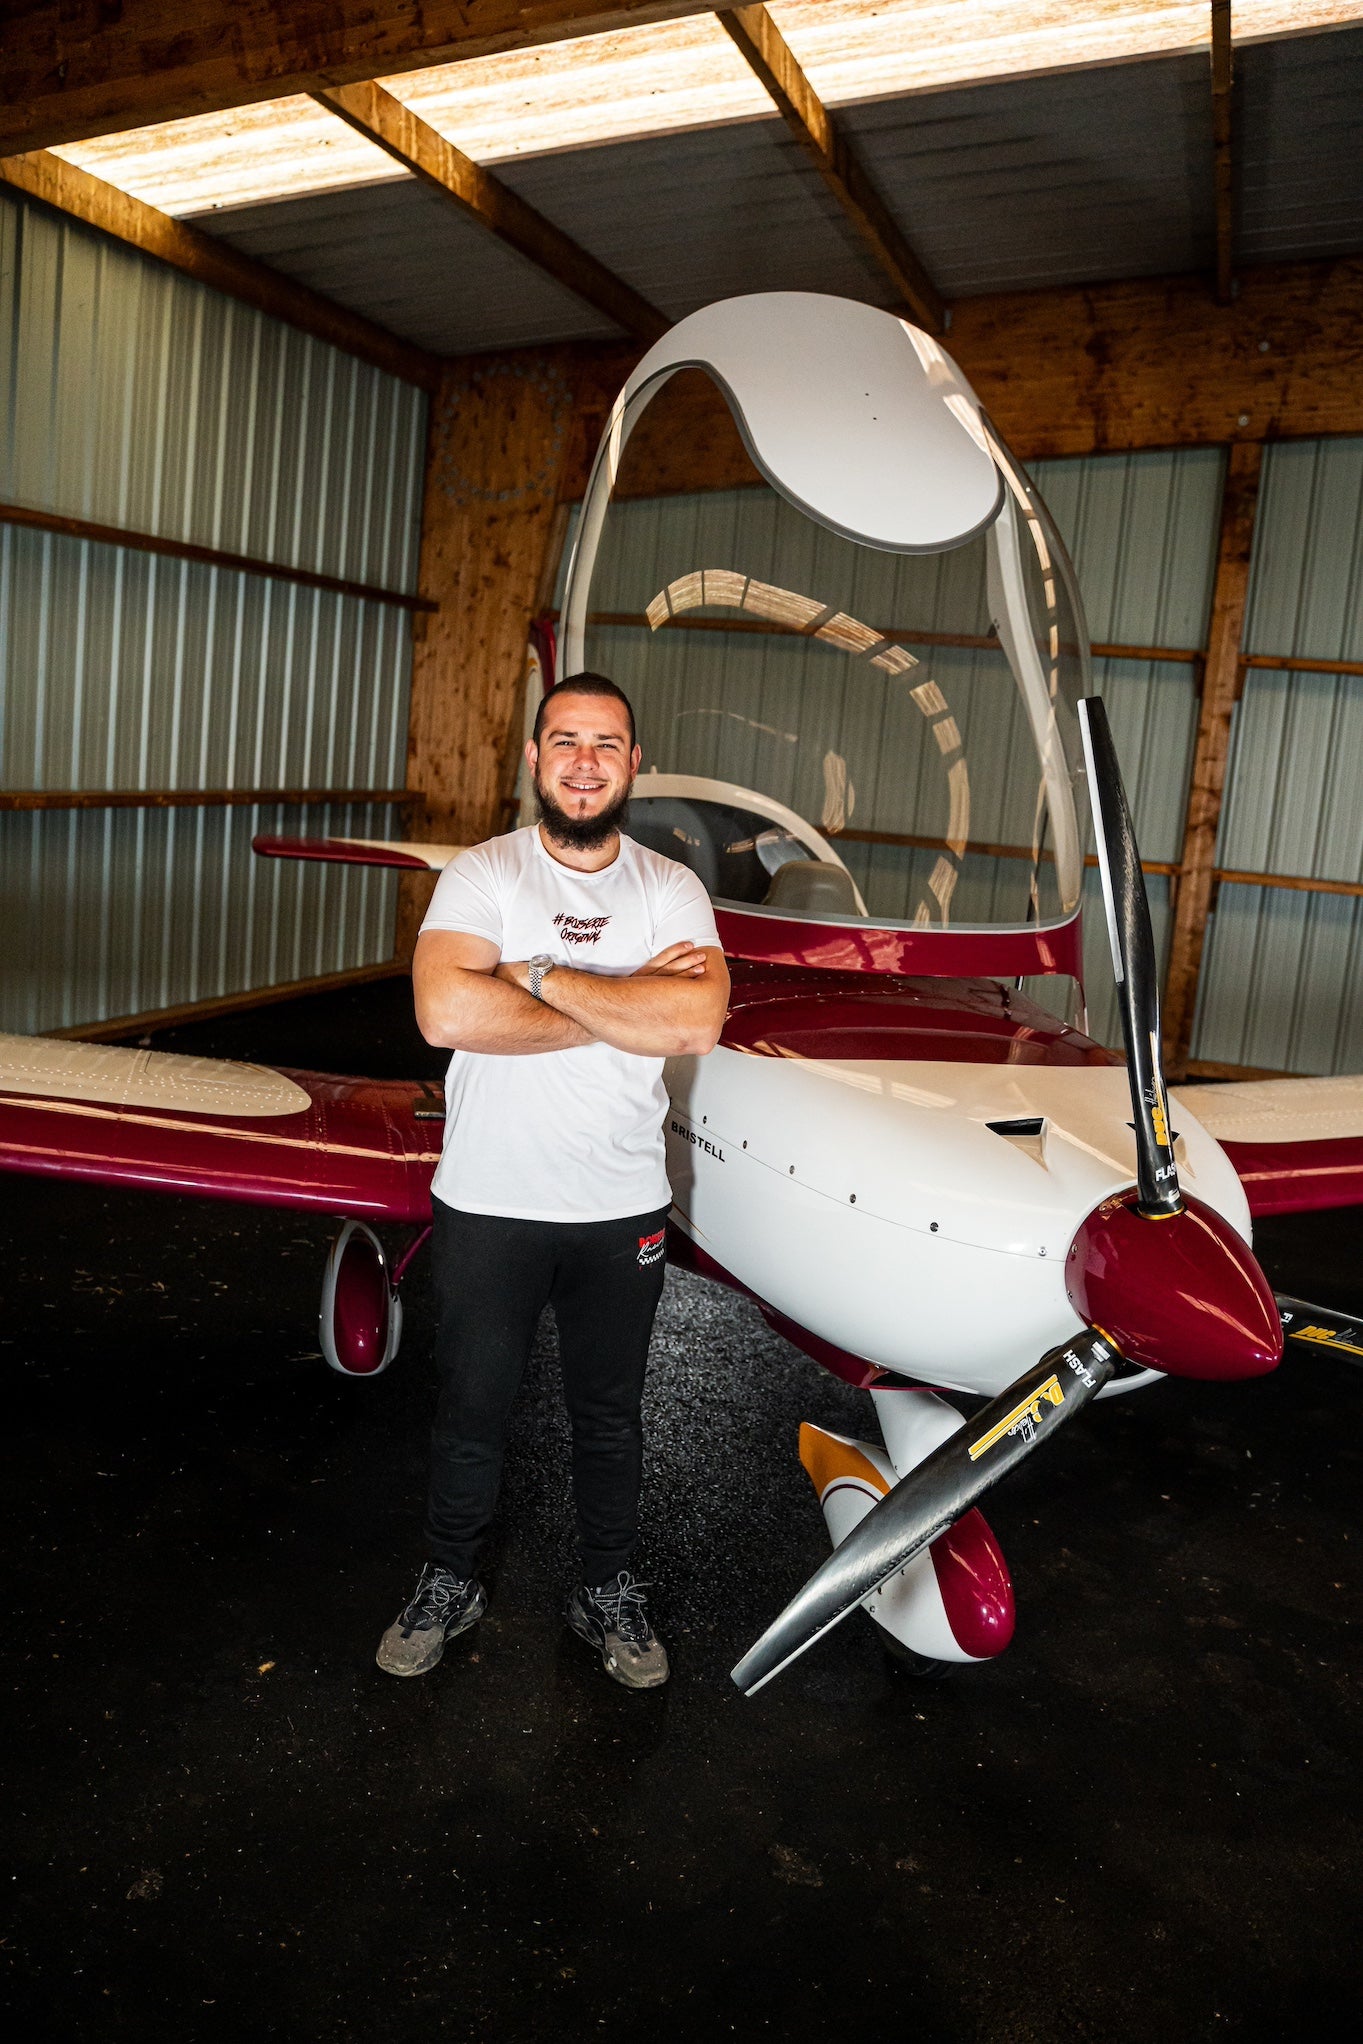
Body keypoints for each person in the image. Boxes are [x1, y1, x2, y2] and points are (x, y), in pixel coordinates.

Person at [377, 672, 729, 1689]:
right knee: (472, 1409)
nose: (584, 761)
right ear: (534, 758)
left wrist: (530, 975)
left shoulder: (669, 888)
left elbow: (694, 1022)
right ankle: (448, 1577)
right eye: (565, 740)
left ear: (634, 764)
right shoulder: (484, 874)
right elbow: (446, 1014)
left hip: (619, 1208)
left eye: (605, 743)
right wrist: (626, 1000)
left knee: (610, 1418)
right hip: (490, 1199)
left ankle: (606, 1587)